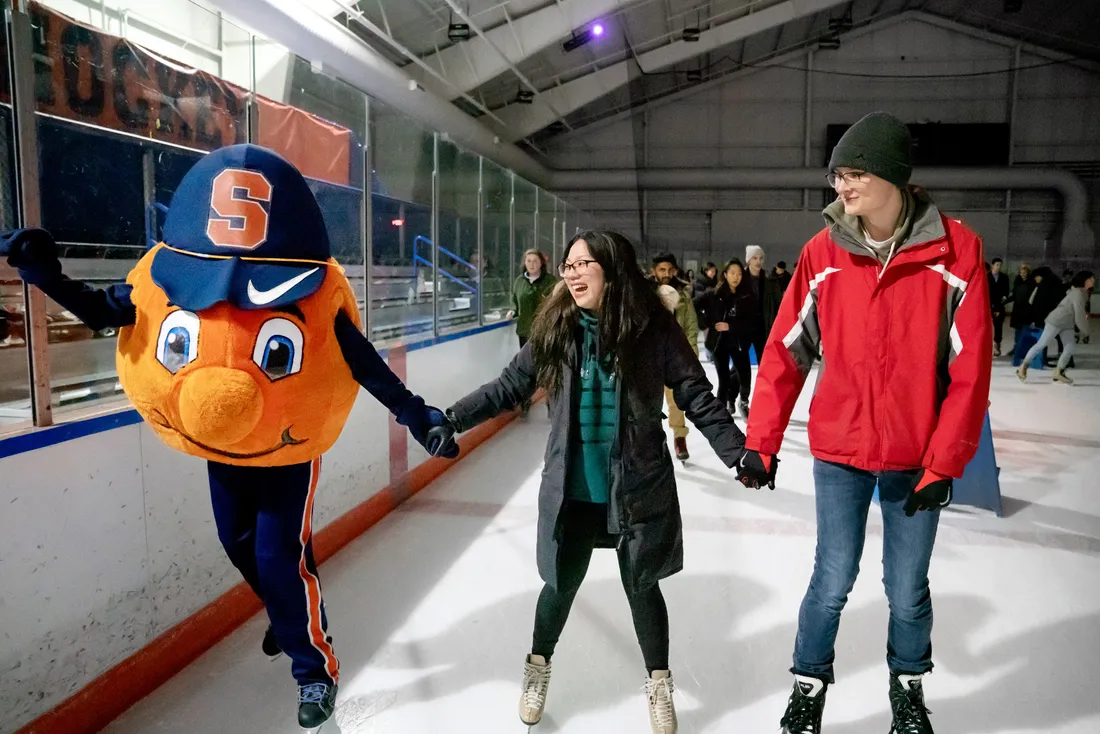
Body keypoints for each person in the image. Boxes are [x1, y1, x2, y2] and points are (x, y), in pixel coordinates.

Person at [0, 146, 458, 730]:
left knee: (278, 557)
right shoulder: (168, 282)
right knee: (241, 546)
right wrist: (44, 276)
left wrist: (417, 415)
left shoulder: (310, 295)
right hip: (221, 453)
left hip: (286, 453)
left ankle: (314, 670)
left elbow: (362, 360)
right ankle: (285, 607)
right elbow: (106, 309)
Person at [425, 230, 747, 734]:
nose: (570, 273)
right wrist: (452, 417)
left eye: (582, 264)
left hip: (636, 485)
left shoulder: (654, 329)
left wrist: (737, 453)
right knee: (558, 587)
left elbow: (695, 394)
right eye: (568, 266)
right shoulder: (556, 327)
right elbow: (510, 385)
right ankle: (537, 666)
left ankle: (659, 683)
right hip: (573, 489)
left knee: (643, 589)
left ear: (611, 269)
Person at [735, 112, 992, 734]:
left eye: (854, 174)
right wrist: (762, 443)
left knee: (906, 588)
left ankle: (907, 689)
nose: (841, 188)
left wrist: (945, 461)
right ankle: (807, 684)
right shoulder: (823, 253)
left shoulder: (957, 251)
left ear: (893, 175)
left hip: (916, 454)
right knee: (833, 575)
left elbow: (972, 368)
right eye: (837, 176)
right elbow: (786, 351)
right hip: (841, 449)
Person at [651, 252, 700, 461]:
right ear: (654, 271)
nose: (666, 274)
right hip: (650, 357)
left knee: (676, 401)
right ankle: (649, 441)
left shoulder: (684, 295)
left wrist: (691, 357)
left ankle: (680, 438)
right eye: (662, 269)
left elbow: (691, 326)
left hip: (674, 357)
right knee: (648, 402)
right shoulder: (645, 294)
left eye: (670, 269)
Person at [1016, 270, 1093, 384]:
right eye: (1091, 278)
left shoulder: (1083, 292)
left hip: (1067, 323)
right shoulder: (1078, 293)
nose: (1093, 280)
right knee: (1042, 344)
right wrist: (1086, 331)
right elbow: (1079, 314)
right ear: (1085, 280)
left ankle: (1059, 371)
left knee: (1070, 346)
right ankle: (1023, 367)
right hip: (1056, 320)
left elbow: (1080, 313)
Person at [703, 259, 755, 418]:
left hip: (739, 342)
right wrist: (710, 323)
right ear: (725, 274)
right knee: (723, 379)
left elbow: (751, 322)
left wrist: (730, 326)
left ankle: (743, 402)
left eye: (739, 274)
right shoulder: (715, 294)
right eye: (732, 273)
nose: (736, 277)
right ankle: (720, 411)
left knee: (745, 376)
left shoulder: (747, 295)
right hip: (720, 343)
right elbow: (693, 307)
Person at [508, 248, 556, 413]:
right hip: (525, 332)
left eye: (535, 261)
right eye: (529, 261)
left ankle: (552, 403)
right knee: (526, 368)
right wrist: (512, 310)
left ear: (542, 263)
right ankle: (525, 400)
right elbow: (515, 300)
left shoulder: (550, 281)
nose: (532, 264)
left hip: (545, 333)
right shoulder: (519, 281)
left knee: (547, 368)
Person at [743, 245, 782, 365]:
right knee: (740, 363)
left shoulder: (770, 281)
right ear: (748, 260)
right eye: (754, 258)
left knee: (764, 362)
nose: (758, 261)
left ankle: (762, 384)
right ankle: (739, 384)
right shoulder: (739, 279)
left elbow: (779, 306)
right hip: (743, 326)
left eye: (761, 258)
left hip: (763, 326)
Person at [988, 257, 1011, 357]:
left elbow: (1006, 291)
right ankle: (988, 347)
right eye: (997, 265)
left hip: (999, 305)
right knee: (988, 327)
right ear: (993, 265)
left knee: (998, 327)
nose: (999, 267)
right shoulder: (986, 276)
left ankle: (997, 347)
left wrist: (1002, 300)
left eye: (1000, 265)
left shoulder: (1004, 277)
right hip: (988, 306)